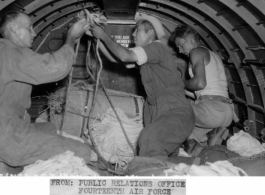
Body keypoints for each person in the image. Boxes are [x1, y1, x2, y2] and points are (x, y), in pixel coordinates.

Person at [88, 14, 195, 162]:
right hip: (156, 109)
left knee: (150, 139)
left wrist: (104, 36)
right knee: (165, 156)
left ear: (150, 33)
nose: (133, 34)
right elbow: (117, 59)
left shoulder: (157, 48)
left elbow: (125, 56)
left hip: (175, 109)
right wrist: (95, 38)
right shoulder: (147, 55)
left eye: (137, 30)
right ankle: (188, 168)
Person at [0, 11, 93, 167]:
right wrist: (70, 38)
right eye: (29, 27)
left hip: (12, 123)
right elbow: (55, 67)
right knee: (82, 151)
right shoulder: (11, 53)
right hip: (7, 134)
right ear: (13, 28)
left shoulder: (4, 51)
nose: (34, 33)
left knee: (48, 128)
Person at [170, 24, 236, 155]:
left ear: (189, 38)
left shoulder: (196, 52)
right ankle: (211, 140)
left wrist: (181, 82)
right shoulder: (214, 55)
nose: (179, 50)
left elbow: (200, 83)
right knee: (194, 134)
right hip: (227, 113)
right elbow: (205, 90)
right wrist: (181, 89)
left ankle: (188, 149)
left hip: (210, 110)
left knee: (171, 111)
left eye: (181, 45)